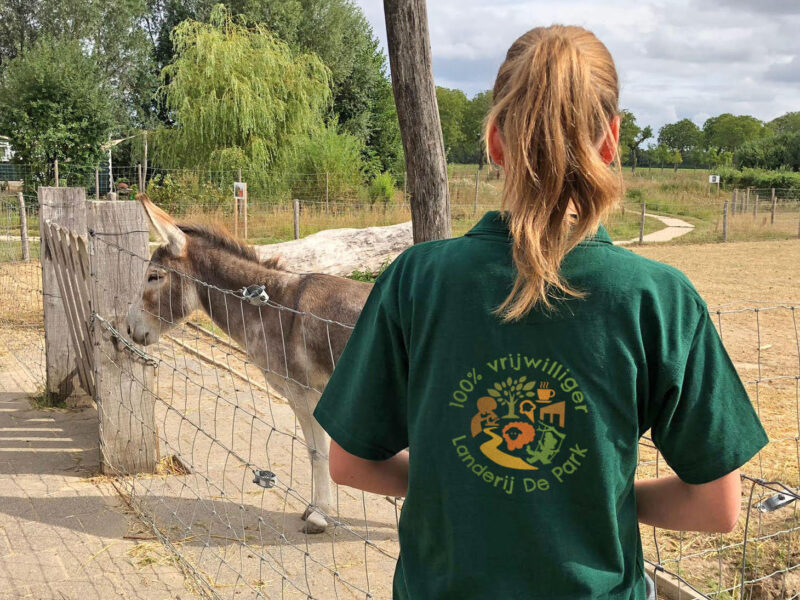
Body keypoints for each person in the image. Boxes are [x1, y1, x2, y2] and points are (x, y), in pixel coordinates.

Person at [313, 24, 768, 600]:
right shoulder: (659, 299)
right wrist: (605, 497)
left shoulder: (415, 280)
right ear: (611, 141)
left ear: (495, 140)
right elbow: (717, 505)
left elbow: (350, 464)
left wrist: (454, 484)